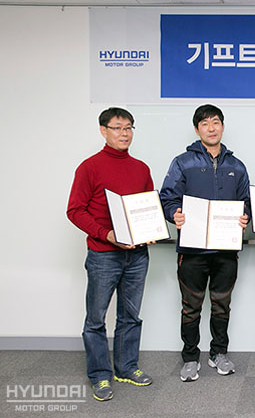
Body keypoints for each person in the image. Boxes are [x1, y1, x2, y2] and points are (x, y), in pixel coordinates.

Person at [67, 107, 154, 401]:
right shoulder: (89, 167)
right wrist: (106, 234)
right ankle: (100, 375)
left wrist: (151, 231)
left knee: (131, 315)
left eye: (128, 127)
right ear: (103, 131)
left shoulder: (141, 168)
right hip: (104, 254)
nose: (124, 133)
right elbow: (75, 210)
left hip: (137, 255)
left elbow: (147, 209)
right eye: (117, 128)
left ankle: (126, 368)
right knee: (96, 319)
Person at [159, 104, 250, 382]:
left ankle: (218, 353)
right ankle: (190, 357)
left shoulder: (237, 166)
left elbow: (247, 202)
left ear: (222, 126)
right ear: (197, 129)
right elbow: (167, 198)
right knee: (191, 306)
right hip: (192, 250)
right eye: (205, 123)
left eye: (216, 122)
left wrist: (245, 216)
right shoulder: (182, 162)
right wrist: (174, 214)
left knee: (222, 305)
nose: (211, 128)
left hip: (226, 251)